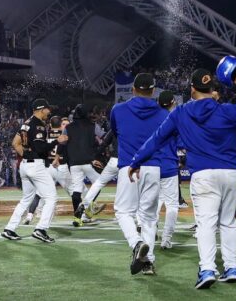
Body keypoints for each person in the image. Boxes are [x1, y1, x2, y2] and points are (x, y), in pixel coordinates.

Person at [130, 68, 236, 289]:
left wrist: (136, 161)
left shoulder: (180, 112)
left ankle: (207, 269)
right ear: (212, 89)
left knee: (206, 224)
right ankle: (230, 267)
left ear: (192, 89)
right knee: (228, 222)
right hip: (231, 173)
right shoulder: (227, 111)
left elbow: (156, 139)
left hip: (203, 174)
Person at [110, 73, 167, 275]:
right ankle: (148, 262)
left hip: (129, 166)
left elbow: (115, 132)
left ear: (133, 89)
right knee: (149, 218)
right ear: (153, 91)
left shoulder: (118, 110)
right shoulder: (163, 114)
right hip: (153, 167)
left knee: (124, 211)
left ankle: (136, 243)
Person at [2, 99, 59, 243]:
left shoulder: (26, 123)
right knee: (51, 198)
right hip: (36, 166)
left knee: (26, 199)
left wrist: (26, 156)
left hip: (25, 166)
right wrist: (57, 141)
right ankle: (41, 229)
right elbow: (41, 149)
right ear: (41, 109)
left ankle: (10, 229)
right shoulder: (38, 125)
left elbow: (15, 143)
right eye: (47, 109)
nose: (49, 111)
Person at [63, 104, 101, 227]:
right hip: (88, 162)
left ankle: (77, 217)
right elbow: (103, 136)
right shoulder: (92, 126)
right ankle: (87, 208)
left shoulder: (68, 127)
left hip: (73, 163)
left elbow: (63, 142)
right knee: (99, 183)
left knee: (77, 190)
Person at [155, 90, 180, 251]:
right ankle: (166, 239)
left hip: (152, 165)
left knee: (154, 203)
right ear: (172, 102)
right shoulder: (174, 118)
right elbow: (182, 142)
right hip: (169, 165)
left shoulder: (151, 118)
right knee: (172, 205)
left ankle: (150, 233)